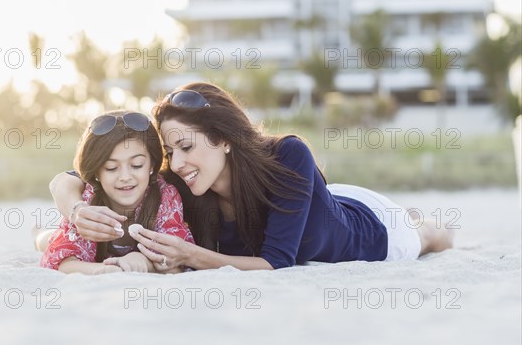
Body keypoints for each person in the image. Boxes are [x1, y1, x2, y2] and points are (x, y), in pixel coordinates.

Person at [49, 82, 453, 272]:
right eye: (171, 152)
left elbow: (276, 262)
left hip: (372, 229)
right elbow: (75, 177)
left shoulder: (288, 155)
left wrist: (190, 255)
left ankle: (424, 221)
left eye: (187, 147)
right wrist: (74, 210)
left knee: (428, 236)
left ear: (223, 138)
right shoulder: (184, 184)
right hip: (318, 203)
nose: (178, 162)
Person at [40, 110, 194, 274]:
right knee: (47, 241)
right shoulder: (87, 200)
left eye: (137, 165)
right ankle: (38, 235)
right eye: (111, 168)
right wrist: (105, 270)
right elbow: (61, 262)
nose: (125, 177)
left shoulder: (166, 197)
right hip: (61, 239)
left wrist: (142, 260)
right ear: (97, 172)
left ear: (152, 164)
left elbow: (177, 263)